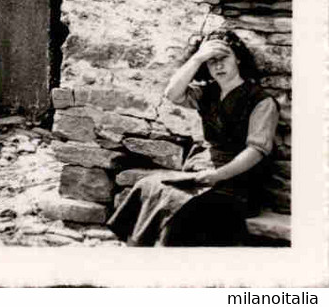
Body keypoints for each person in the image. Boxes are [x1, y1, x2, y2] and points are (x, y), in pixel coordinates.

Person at [108, 31, 279, 246]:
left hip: (238, 181)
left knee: (179, 204)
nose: (218, 66)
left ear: (238, 58)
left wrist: (217, 175)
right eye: (211, 61)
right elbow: (172, 94)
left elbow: (256, 151)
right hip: (202, 174)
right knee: (148, 185)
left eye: (223, 57)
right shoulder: (207, 94)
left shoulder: (261, 101)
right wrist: (197, 58)